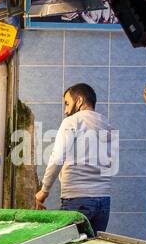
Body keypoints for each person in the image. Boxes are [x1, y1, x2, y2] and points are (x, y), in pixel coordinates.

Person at [36, 82, 116, 235]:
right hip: (104, 201)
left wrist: (44, 191)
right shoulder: (107, 125)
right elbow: (110, 164)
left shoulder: (72, 122)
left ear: (79, 101)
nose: (66, 111)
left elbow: (57, 157)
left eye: (67, 104)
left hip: (77, 200)